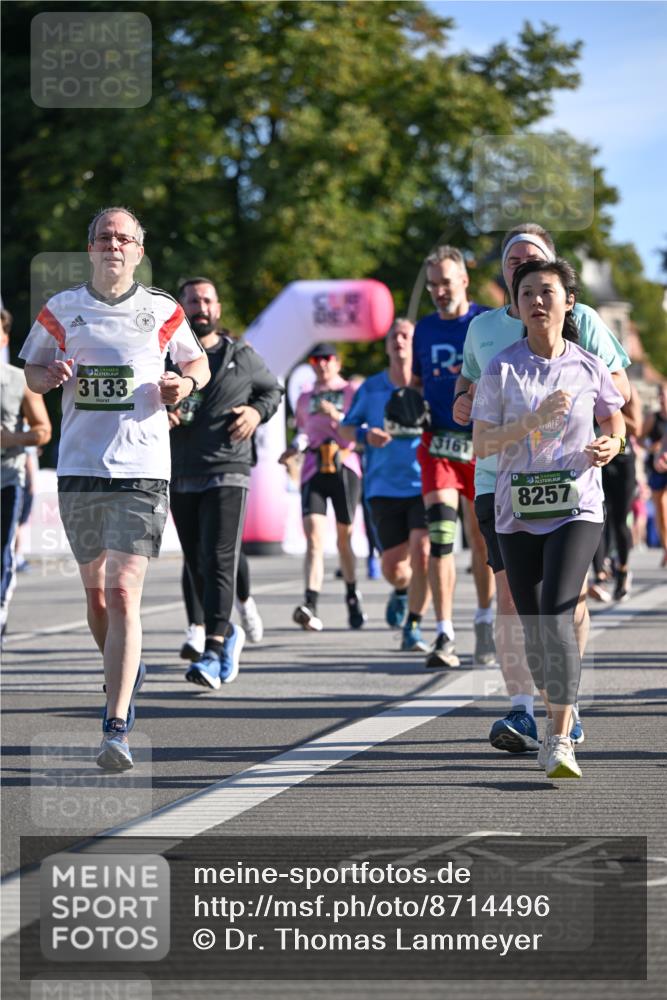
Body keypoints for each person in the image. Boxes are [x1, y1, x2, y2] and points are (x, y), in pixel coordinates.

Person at [19, 207, 209, 770]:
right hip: (79, 466)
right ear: (91, 248)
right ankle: (123, 665)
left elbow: (196, 365)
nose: (115, 245)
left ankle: (116, 722)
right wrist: (46, 377)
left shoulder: (162, 310)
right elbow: (30, 370)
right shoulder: (62, 309)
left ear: (139, 250)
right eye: (105, 237)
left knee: (124, 590)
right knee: (96, 594)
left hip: (143, 468)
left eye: (125, 238)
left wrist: (183, 383)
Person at [455, 223, 631, 754]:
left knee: (561, 603)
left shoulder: (587, 337)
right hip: (505, 489)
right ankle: (525, 708)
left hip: (576, 493)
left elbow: (615, 397)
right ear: (508, 281)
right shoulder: (489, 343)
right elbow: (472, 404)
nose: (529, 285)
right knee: (523, 605)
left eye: (539, 273)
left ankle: (560, 724)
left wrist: (611, 442)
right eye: (519, 271)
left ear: (565, 295)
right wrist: (473, 404)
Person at [168, 277, 282, 688]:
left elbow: (272, 391)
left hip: (229, 469)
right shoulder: (165, 356)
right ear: (180, 307)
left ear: (217, 307)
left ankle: (214, 646)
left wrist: (255, 413)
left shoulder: (241, 355)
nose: (201, 306)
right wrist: (159, 413)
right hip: (181, 469)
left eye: (207, 300)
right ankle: (227, 632)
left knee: (218, 557)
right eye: (193, 300)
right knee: (196, 559)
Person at [411, 246, 496, 668]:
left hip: (481, 443)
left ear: (464, 280)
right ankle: (444, 632)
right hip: (438, 444)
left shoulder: (487, 322)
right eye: (433, 284)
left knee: (480, 539)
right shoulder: (423, 330)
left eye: (446, 282)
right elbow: (413, 382)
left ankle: (483, 618)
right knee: (441, 537)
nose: (439, 291)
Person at [341, 318, 431, 652]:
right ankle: (401, 590)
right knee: (395, 568)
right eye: (394, 336)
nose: (399, 341)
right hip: (383, 488)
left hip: (425, 484)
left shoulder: (428, 386)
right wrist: (366, 435)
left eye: (406, 336)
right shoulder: (373, 388)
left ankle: (414, 625)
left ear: (415, 343)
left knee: (423, 554)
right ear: (387, 345)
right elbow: (346, 429)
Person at [279, 342, 365, 631]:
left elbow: (356, 432)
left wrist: (336, 416)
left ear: (337, 363)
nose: (322, 364)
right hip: (315, 467)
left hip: (344, 465)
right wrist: (293, 448)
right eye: (316, 359)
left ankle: (352, 594)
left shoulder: (350, 391)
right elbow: (304, 431)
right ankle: (310, 603)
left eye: (328, 359)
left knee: (344, 538)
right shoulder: (305, 397)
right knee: (314, 537)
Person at [1, 317, 51, 639]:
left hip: (6, 478)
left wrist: (11, 440)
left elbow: (43, 430)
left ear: (4, 339)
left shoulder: (19, 380)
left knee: (2, 550)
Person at [589, 384, 642, 602]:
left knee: (620, 520)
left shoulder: (628, 389)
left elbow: (637, 428)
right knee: (597, 516)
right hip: (597, 457)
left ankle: (622, 570)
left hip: (622, 459)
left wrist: (609, 410)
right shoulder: (589, 377)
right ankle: (600, 576)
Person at [642, 383, 667, 567]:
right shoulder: (653, 418)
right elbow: (639, 437)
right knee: (661, 511)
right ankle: (666, 548)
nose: (663, 399)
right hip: (657, 468)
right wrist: (651, 448)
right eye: (661, 395)